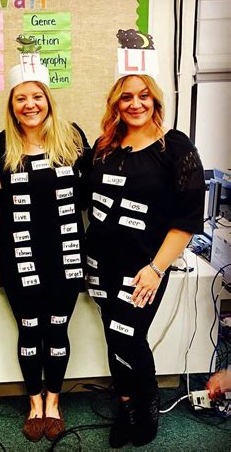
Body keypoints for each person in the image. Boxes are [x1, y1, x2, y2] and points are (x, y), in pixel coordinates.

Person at [85, 35, 205, 448]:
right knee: (112, 336)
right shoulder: (104, 148)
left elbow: (186, 220)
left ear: (154, 101)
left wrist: (156, 269)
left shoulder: (176, 148)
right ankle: (126, 403)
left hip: (144, 269)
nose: (135, 104)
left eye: (143, 96)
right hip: (100, 265)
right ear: (115, 105)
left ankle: (147, 402)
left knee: (128, 337)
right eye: (126, 98)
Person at [0, 53, 89, 442]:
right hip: (19, 252)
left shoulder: (72, 137)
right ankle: (34, 403)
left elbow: (91, 186)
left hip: (67, 252)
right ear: (11, 104)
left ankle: (54, 402)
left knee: (57, 329)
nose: (30, 104)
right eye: (21, 98)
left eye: (37, 96)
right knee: (28, 330)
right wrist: (10, 203)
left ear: (48, 99)